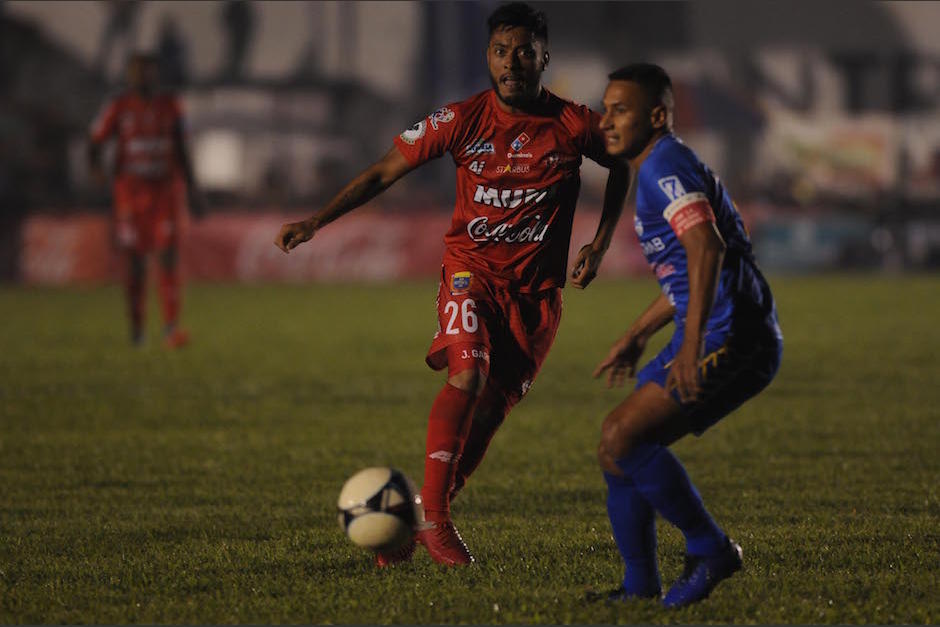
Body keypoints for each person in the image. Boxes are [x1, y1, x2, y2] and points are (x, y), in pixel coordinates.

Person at [276, 2, 630, 567]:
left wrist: (600, 241)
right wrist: (316, 221)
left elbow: (621, 163)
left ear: (544, 57)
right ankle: (437, 523)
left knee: (489, 414)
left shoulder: (573, 124)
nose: (510, 62)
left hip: (536, 299)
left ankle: (416, 517)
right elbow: (382, 173)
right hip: (471, 276)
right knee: (469, 375)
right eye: (499, 51)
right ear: (488, 58)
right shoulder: (461, 119)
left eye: (522, 51)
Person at [590, 63, 783, 607]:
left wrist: (692, 343)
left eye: (619, 109)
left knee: (625, 436)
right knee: (615, 448)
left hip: (730, 333)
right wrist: (637, 334)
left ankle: (712, 549)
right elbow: (685, 271)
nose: (606, 120)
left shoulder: (664, 164)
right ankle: (638, 588)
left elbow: (707, 249)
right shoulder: (659, 164)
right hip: (718, 324)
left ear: (657, 115)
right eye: (605, 109)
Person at [88, 52, 206, 348]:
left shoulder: (172, 106)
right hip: (130, 194)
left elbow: (183, 148)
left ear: (156, 74)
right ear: (129, 75)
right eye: (138, 71)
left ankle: (171, 328)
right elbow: (95, 143)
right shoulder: (118, 106)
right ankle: (138, 329)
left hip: (166, 192)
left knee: (168, 255)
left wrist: (193, 188)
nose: (143, 77)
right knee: (136, 261)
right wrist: (97, 171)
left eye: (149, 71)